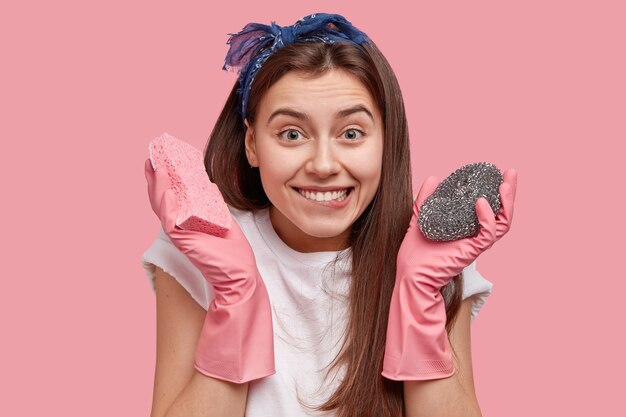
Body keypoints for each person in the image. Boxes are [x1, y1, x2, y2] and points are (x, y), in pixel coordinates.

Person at [141, 12, 517, 417]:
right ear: (252, 144)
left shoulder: (434, 256)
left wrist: (421, 296)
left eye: (351, 133)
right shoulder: (203, 245)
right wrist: (235, 298)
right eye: (292, 134)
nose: (323, 164)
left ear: (386, 141)